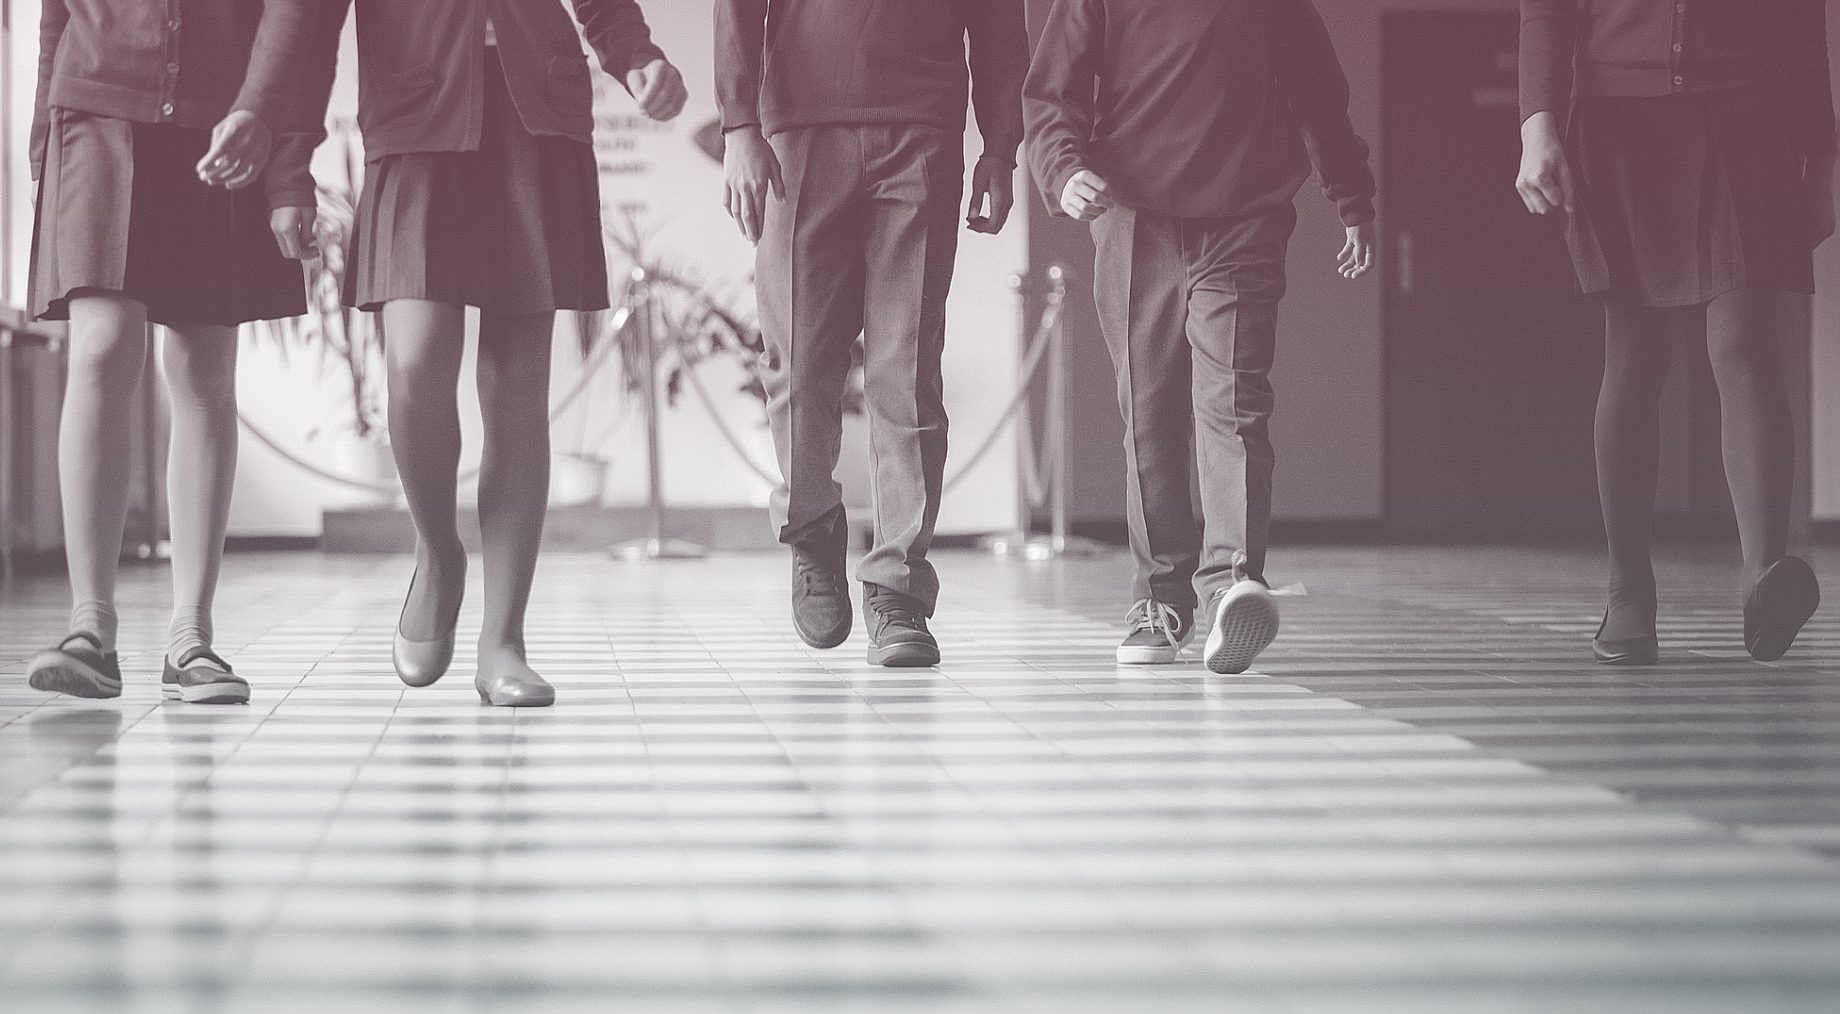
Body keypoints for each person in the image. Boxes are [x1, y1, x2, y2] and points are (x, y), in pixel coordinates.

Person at [296, 0, 688, 707]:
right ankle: (439, 553)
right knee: (412, 368)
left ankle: (503, 639)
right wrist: (285, 157)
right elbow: (307, 22)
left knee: (516, 385)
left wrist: (638, 59)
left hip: (534, 109)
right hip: (416, 113)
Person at [1025, 0, 1375, 676]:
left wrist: (1351, 195)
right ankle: (1160, 600)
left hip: (1244, 214)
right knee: (1149, 419)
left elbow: (1317, 86)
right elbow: (1051, 90)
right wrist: (1061, 168)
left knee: (1235, 404)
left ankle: (1232, 586)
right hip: (1132, 216)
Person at [1518, 0, 1835, 665]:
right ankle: (1628, 592)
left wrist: (1824, 153)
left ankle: (1763, 576)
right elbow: (1544, 8)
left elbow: (1801, 14)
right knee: (1635, 351)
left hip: (1750, 111)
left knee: (1743, 338)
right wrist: (1536, 121)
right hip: (1621, 118)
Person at [24, 0, 323, 704]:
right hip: (92, 108)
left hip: (227, 118)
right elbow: (53, 13)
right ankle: (89, 628)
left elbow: (297, 18)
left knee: (202, 365)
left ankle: (192, 634)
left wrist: (286, 166)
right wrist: (43, 141)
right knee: (101, 345)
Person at [716, 0, 1030, 668]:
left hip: (922, 131)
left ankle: (898, 588)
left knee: (907, 369)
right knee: (797, 366)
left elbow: (1000, 18)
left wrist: (1001, 145)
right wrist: (739, 123)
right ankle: (813, 530)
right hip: (796, 135)